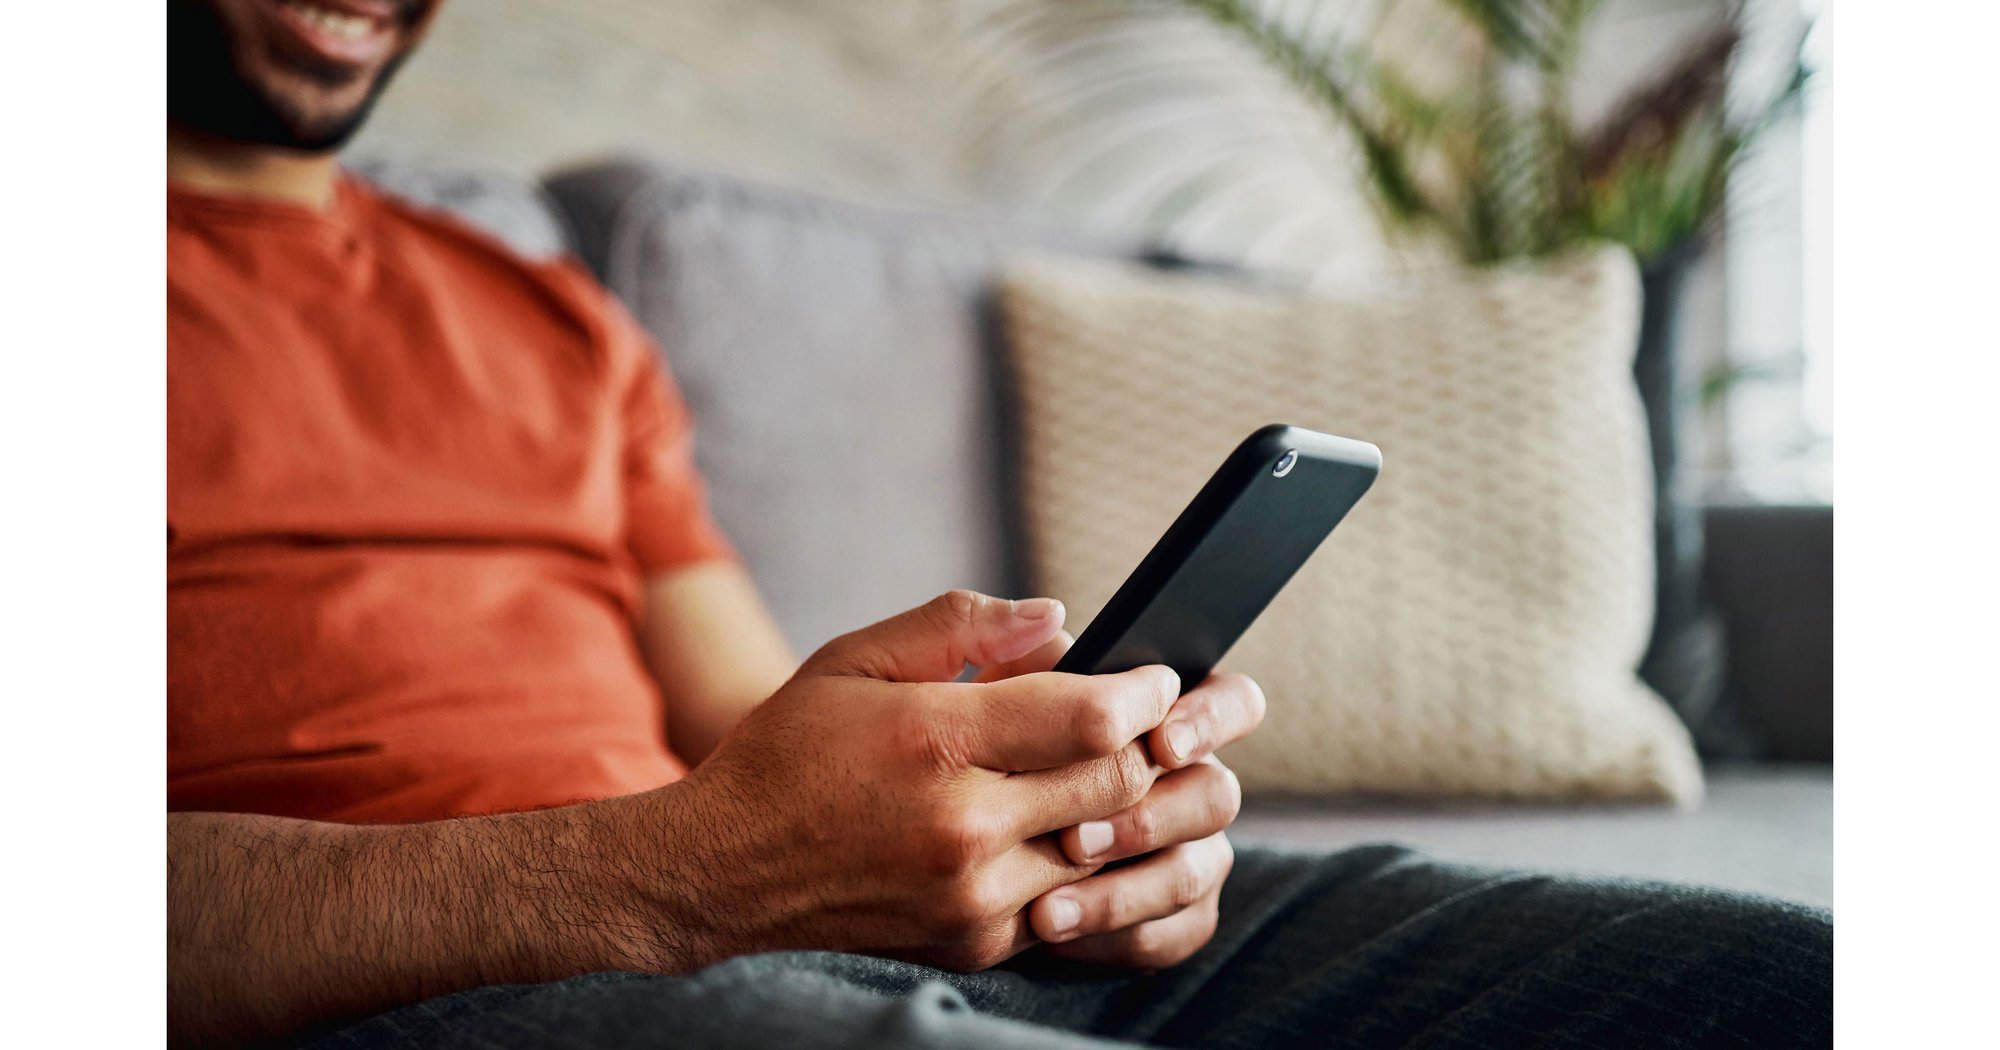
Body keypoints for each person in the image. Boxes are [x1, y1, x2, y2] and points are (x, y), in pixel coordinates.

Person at [165, 2, 1833, 1047]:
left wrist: (1029, 817)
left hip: (740, 920)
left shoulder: (555, 318)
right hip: (414, 975)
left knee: (1776, 983)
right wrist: (669, 880)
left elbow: (755, 736)